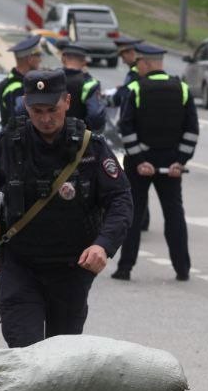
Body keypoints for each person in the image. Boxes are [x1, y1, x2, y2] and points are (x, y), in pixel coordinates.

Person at [0, 69, 133, 347]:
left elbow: (121, 199)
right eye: (37, 110)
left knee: (61, 357)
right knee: (25, 351)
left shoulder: (90, 147)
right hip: (22, 266)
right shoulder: (10, 142)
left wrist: (103, 246)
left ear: (67, 102)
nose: (45, 118)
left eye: (52, 109)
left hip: (71, 269)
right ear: (25, 105)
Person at [113, 42, 198, 281]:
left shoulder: (136, 89)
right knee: (174, 216)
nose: (136, 66)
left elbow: (126, 128)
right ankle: (182, 269)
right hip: (171, 165)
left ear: (147, 63)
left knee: (133, 215)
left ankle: (125, 268)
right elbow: (191, 130)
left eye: (138, 62)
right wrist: (180, 161)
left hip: (140, 166)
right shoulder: (182, 89)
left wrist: (140, 160)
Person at [56, 40, 106, 132]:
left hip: (51, 136)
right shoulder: (89, 83)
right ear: (84, 62)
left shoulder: (51, 78)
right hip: (77, 137)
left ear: (63, 59)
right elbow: (95, 115)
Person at [0, 35, 43, 125]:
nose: (40, 60)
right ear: (30, 59)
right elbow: (20, 119)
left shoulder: (26, 82)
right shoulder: (14, 87)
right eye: (38, 56)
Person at [111, 35, 144, 108]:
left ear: (132, 53)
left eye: (123, 57)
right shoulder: (137, 71)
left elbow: (122, 96)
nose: (123, 62)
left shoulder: (136, 73)